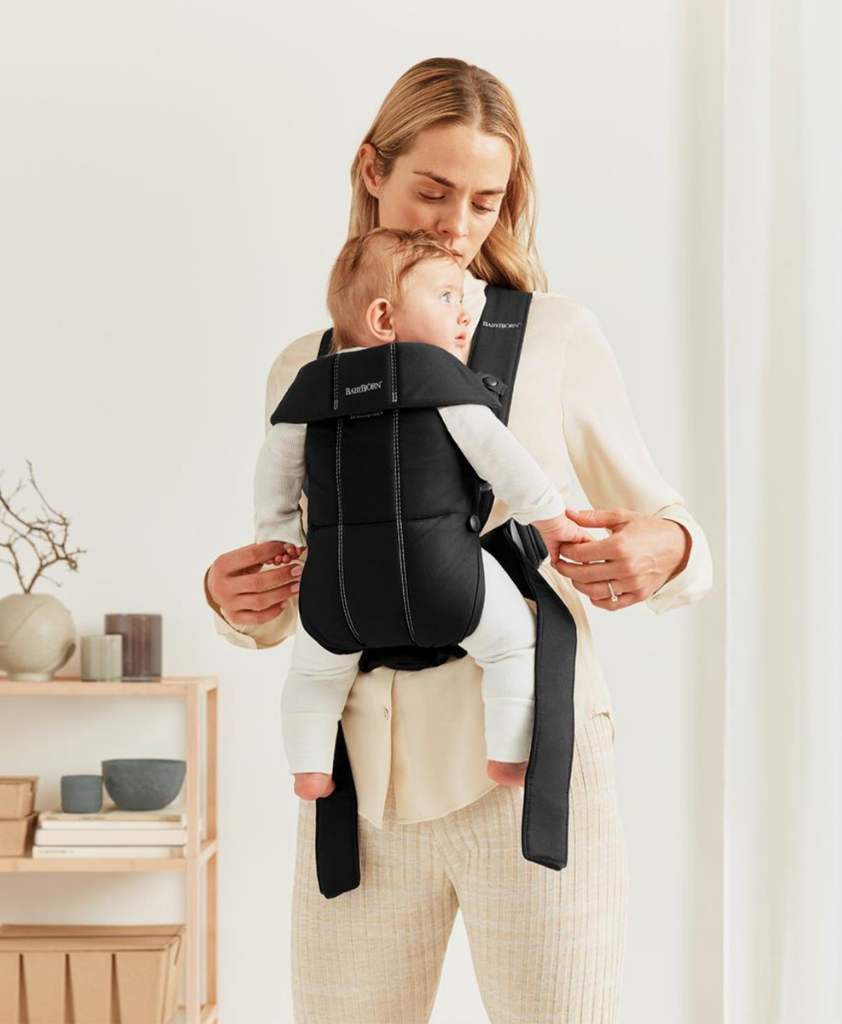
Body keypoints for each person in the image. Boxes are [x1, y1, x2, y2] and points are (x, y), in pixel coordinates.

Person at [204, 57, 713, 1022]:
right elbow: (300, 576)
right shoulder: (301, 369)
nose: (456, 227)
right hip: (358, 783)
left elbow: (671, 523)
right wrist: (233, 601)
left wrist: (671, 550)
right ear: (373, 170)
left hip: (533, 772)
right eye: (433, 192)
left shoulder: (555, 335)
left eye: (485, 202)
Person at [253, 226, 593, 799]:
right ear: (384, 318)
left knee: (313, 672)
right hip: (444, 578)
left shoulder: (311, 391)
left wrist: (278, 537)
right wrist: (552, 520)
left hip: (339, 587)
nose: (464, 313)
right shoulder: (437, 379)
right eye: (446, 297)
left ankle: (309, 769)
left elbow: (275, 473)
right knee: (514, 645)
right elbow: (505, 460)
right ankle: (508, 756)